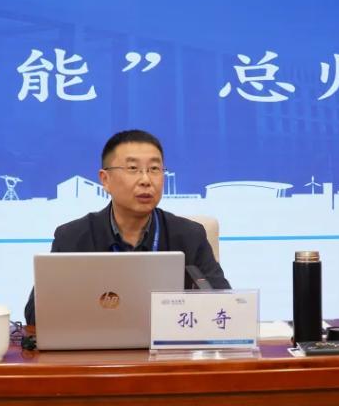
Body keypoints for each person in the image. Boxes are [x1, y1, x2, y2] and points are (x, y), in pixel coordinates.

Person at [24, 129, 229, 325]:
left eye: (154, 169)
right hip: (97, 346)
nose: (146, 180)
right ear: (105, 180)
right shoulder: (72, 237)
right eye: (133, 169)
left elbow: (223, 307)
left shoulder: (190, 236)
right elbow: (35, 316)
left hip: (165, 346)